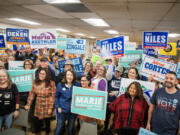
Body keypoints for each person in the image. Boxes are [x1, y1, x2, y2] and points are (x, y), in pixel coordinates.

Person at [25, 68, 56, 135]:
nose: (41, 75)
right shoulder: (35, 81)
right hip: (38, 102)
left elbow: (53, 96)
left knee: (47, 120)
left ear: (46, 75)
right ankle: (37, 131)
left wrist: (51, 108)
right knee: (37, 119)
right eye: (40, 73)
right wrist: (28, 104)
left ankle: (47, 132)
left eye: (43, 74)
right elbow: (31, 94)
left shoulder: (51, 83)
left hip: (47, 103)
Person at [54, 70, 78, 135]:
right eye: (68, 75)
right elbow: (56, 96)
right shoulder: (60, 85)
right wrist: (58, 107)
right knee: (58, 129)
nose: (69, 77)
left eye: (71, 75)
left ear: (73, 76)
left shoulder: (77, 85)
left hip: (72, 112)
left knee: (70, 130)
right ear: (65, 76)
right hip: (62, 110)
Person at [104, 65, 124, 130]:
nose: (117, 72)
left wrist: (116, 93)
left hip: (117, 103)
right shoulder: (111, 77)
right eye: (116, 71)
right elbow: (108, 75)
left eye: (119, 71)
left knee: (114, 118)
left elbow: (123, 91)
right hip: (109, 102)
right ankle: (104, 130)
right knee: (106, 118)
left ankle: (111, 130)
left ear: (121, 73)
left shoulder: (123, 80)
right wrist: (112, 64)